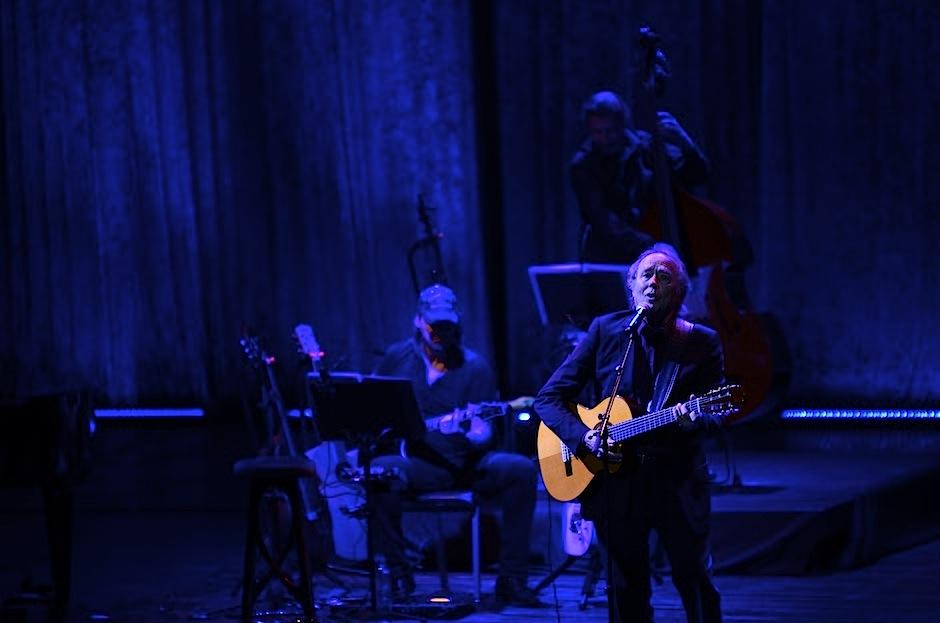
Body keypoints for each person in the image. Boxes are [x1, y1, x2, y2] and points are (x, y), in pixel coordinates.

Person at [535, 244, 724, 623]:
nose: (654, 282)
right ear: (632, 286)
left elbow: (716, 415)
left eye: (664, 276)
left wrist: (694, 418)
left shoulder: (700, 341)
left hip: (678, 478)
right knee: (624, 587)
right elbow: (549, 398)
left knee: (693, 577)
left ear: (678, 291)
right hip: (617, 483)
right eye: (646, 275)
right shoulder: (606, 330)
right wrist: (582, 437)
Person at [370, 284, 542, 607]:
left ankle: (512, 581)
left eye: (447, 325)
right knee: (380, 472)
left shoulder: (474, 367)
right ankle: (398, 574)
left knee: (519, 469)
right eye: (434, 325)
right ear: (418, 321)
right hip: (418, 463)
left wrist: (475, 432)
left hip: (466, 465)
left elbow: (484, 434)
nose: (441, 333)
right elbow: (374, 408)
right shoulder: (397, 359)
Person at [571, 91, 708, 265]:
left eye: (610, 131)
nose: (605, 139)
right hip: (608, 260)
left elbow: (697, 176)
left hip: (654, 258)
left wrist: (685, 142)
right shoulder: (583, 164)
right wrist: (655, 247)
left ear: (623, 125)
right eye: (597, 132)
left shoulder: (647, 148)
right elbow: (605, 222)